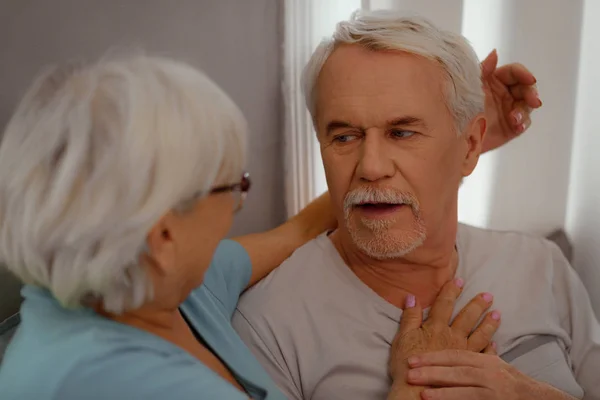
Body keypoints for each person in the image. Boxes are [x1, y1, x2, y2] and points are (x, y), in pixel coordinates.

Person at [0, 51, 535, 399]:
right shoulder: (106, 382)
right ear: (163, 236)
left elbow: (298, 229)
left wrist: (449, 148)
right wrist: (413, 384)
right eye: (233, 187)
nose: (238, 204)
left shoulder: (172, 286)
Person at [232, 10, 600, 400]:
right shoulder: (268, 327)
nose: (371, 167)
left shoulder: (541, 267)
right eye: (344, 137)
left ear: (471, 145)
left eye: (402, 132)